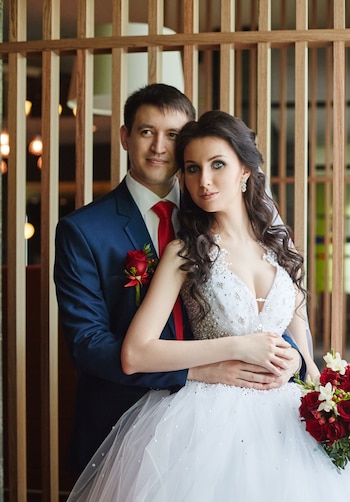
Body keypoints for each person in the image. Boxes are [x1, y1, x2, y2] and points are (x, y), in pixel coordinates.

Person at [15, 111, 350, 502]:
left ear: (246, 171)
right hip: (205, 424)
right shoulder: (186, 251)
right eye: (191, 168)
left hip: (287, 427)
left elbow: (302, 341)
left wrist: (307, 373)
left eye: (217, 166)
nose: (203, 181)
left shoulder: (282, 247)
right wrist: (234, 349)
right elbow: (136, 351)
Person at [54, 83, 304, 475]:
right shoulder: (83, 230)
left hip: (248, 421)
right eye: (146, 131)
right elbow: (88, 344)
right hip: (124, 422)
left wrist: (295, 361)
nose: (159, 147)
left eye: (172, 135)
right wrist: (200, 370)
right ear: (125, 137)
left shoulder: (214, 202)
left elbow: (265, 312)